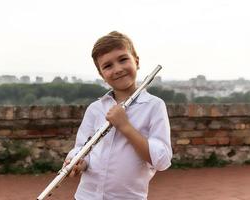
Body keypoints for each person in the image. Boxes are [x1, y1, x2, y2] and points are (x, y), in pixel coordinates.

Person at [65, 31, 172, 200]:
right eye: (108, 66)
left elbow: (162, 160)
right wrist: (79, 162)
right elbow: (82, 149)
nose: (118, 69)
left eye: (123, 59)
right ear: (102, 75)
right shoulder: (95, 109)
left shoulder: (154, 106)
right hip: (87, 196)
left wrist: (125, 126)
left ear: (136, 61)